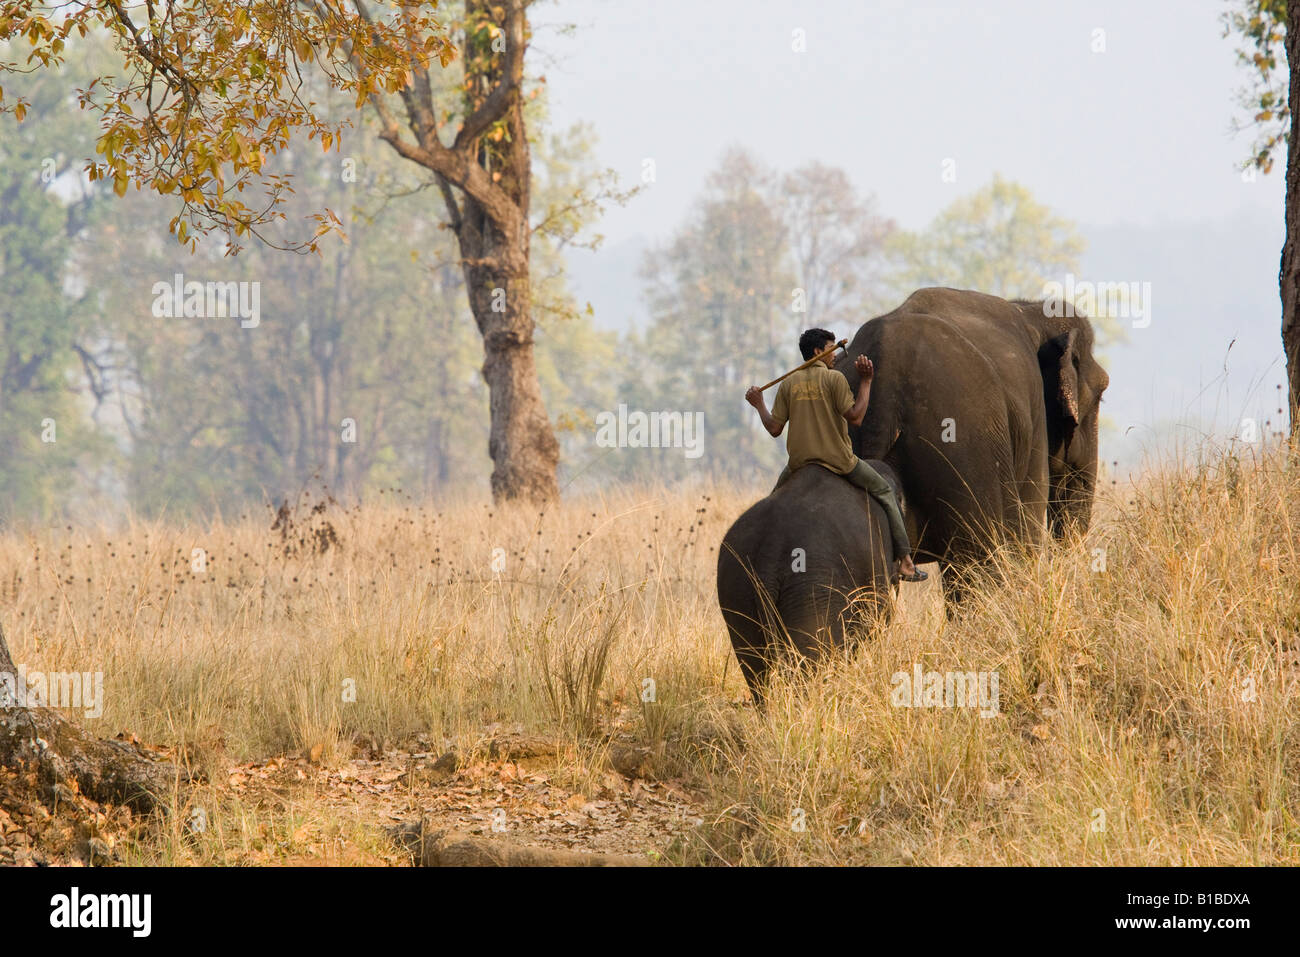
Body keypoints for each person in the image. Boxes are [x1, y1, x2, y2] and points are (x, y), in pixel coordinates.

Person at [745, 328, 928, 583]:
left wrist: (759, 404)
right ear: (819, 352)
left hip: (798, 465)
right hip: (839, 462)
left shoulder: (789, 384)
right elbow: (856, 417)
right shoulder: (835, 380)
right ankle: (906, 561)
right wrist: (866, 381)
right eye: (832, 349)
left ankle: (757, 561)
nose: (835, 356)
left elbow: (774, 428)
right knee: (885, 491)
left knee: (771, 503)